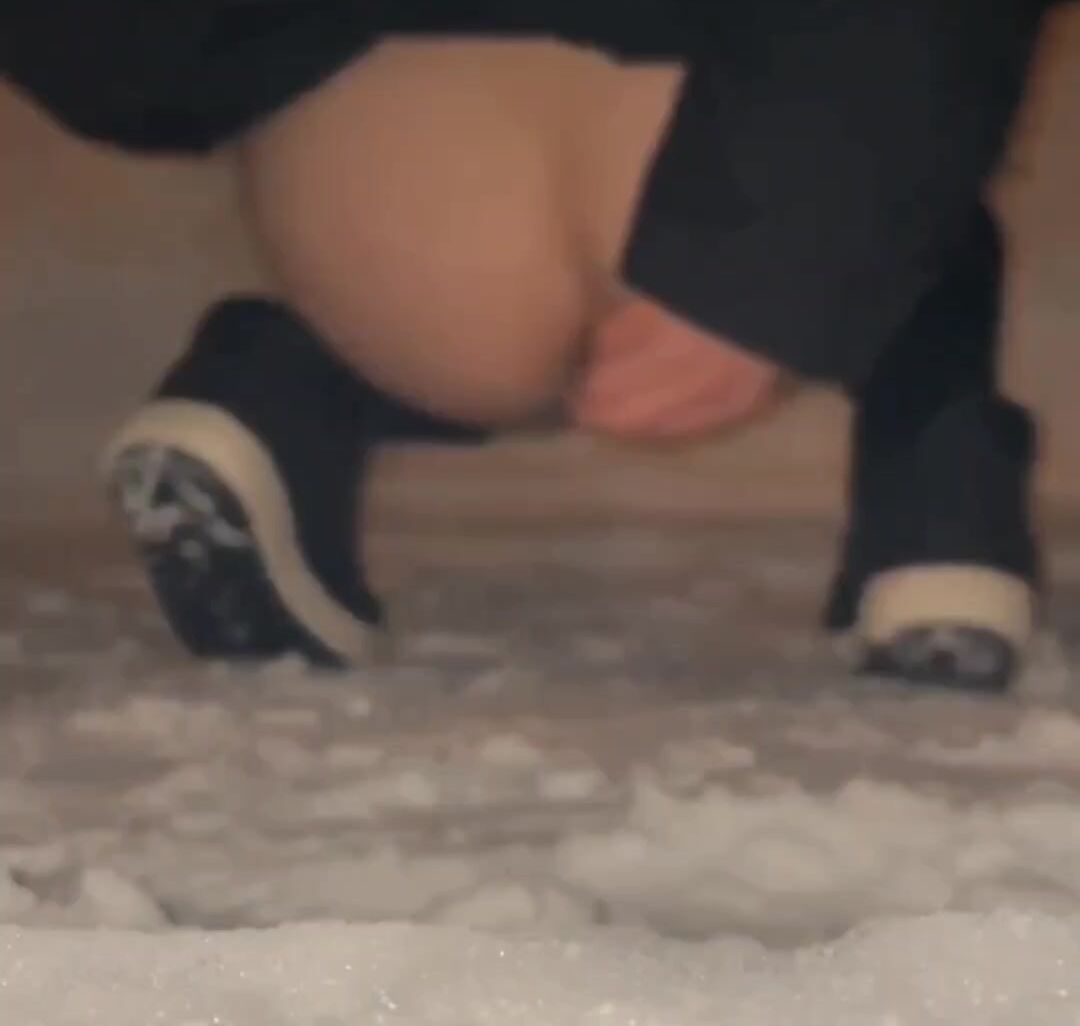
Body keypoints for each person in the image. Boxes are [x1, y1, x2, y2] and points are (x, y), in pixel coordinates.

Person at [2, 2, 1056, 688]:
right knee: (908, 180)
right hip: (714, 107)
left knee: (872, 159)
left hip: (378, 149)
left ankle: (287, 385)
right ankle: (940, 482)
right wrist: (775, 258)